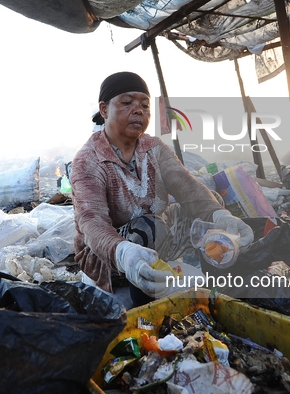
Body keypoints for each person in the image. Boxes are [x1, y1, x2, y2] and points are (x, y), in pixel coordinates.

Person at [71, 71, 253, 306]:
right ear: (104, 110)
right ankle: (145, 306)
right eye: (127, 103)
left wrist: (221, 216)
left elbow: (187, 186)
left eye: (145, 105)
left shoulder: (153, 147)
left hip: (155, 236)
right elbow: (91, 223)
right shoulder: (88, 161)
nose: (138, 110)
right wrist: (124, 253)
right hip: (109, 256)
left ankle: (216, 286)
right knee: (149, 228)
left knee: (209, 207)